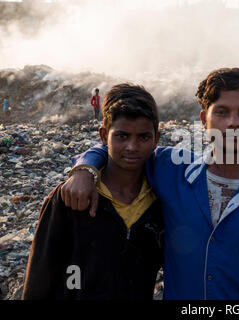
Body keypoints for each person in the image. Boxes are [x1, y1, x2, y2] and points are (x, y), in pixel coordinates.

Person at [61, 66, 239, 300]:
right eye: (221, 112)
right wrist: (85, 169)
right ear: (203, 119)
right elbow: (119, 148)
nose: (234, 122)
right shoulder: (172, 170)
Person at [22, 83, 163, 300]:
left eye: (143, 137)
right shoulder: (70, 197)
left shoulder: (159, 201)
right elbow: (42, 274)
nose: (132, 147)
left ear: (157, 139)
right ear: (104, 135)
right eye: (122, 136)